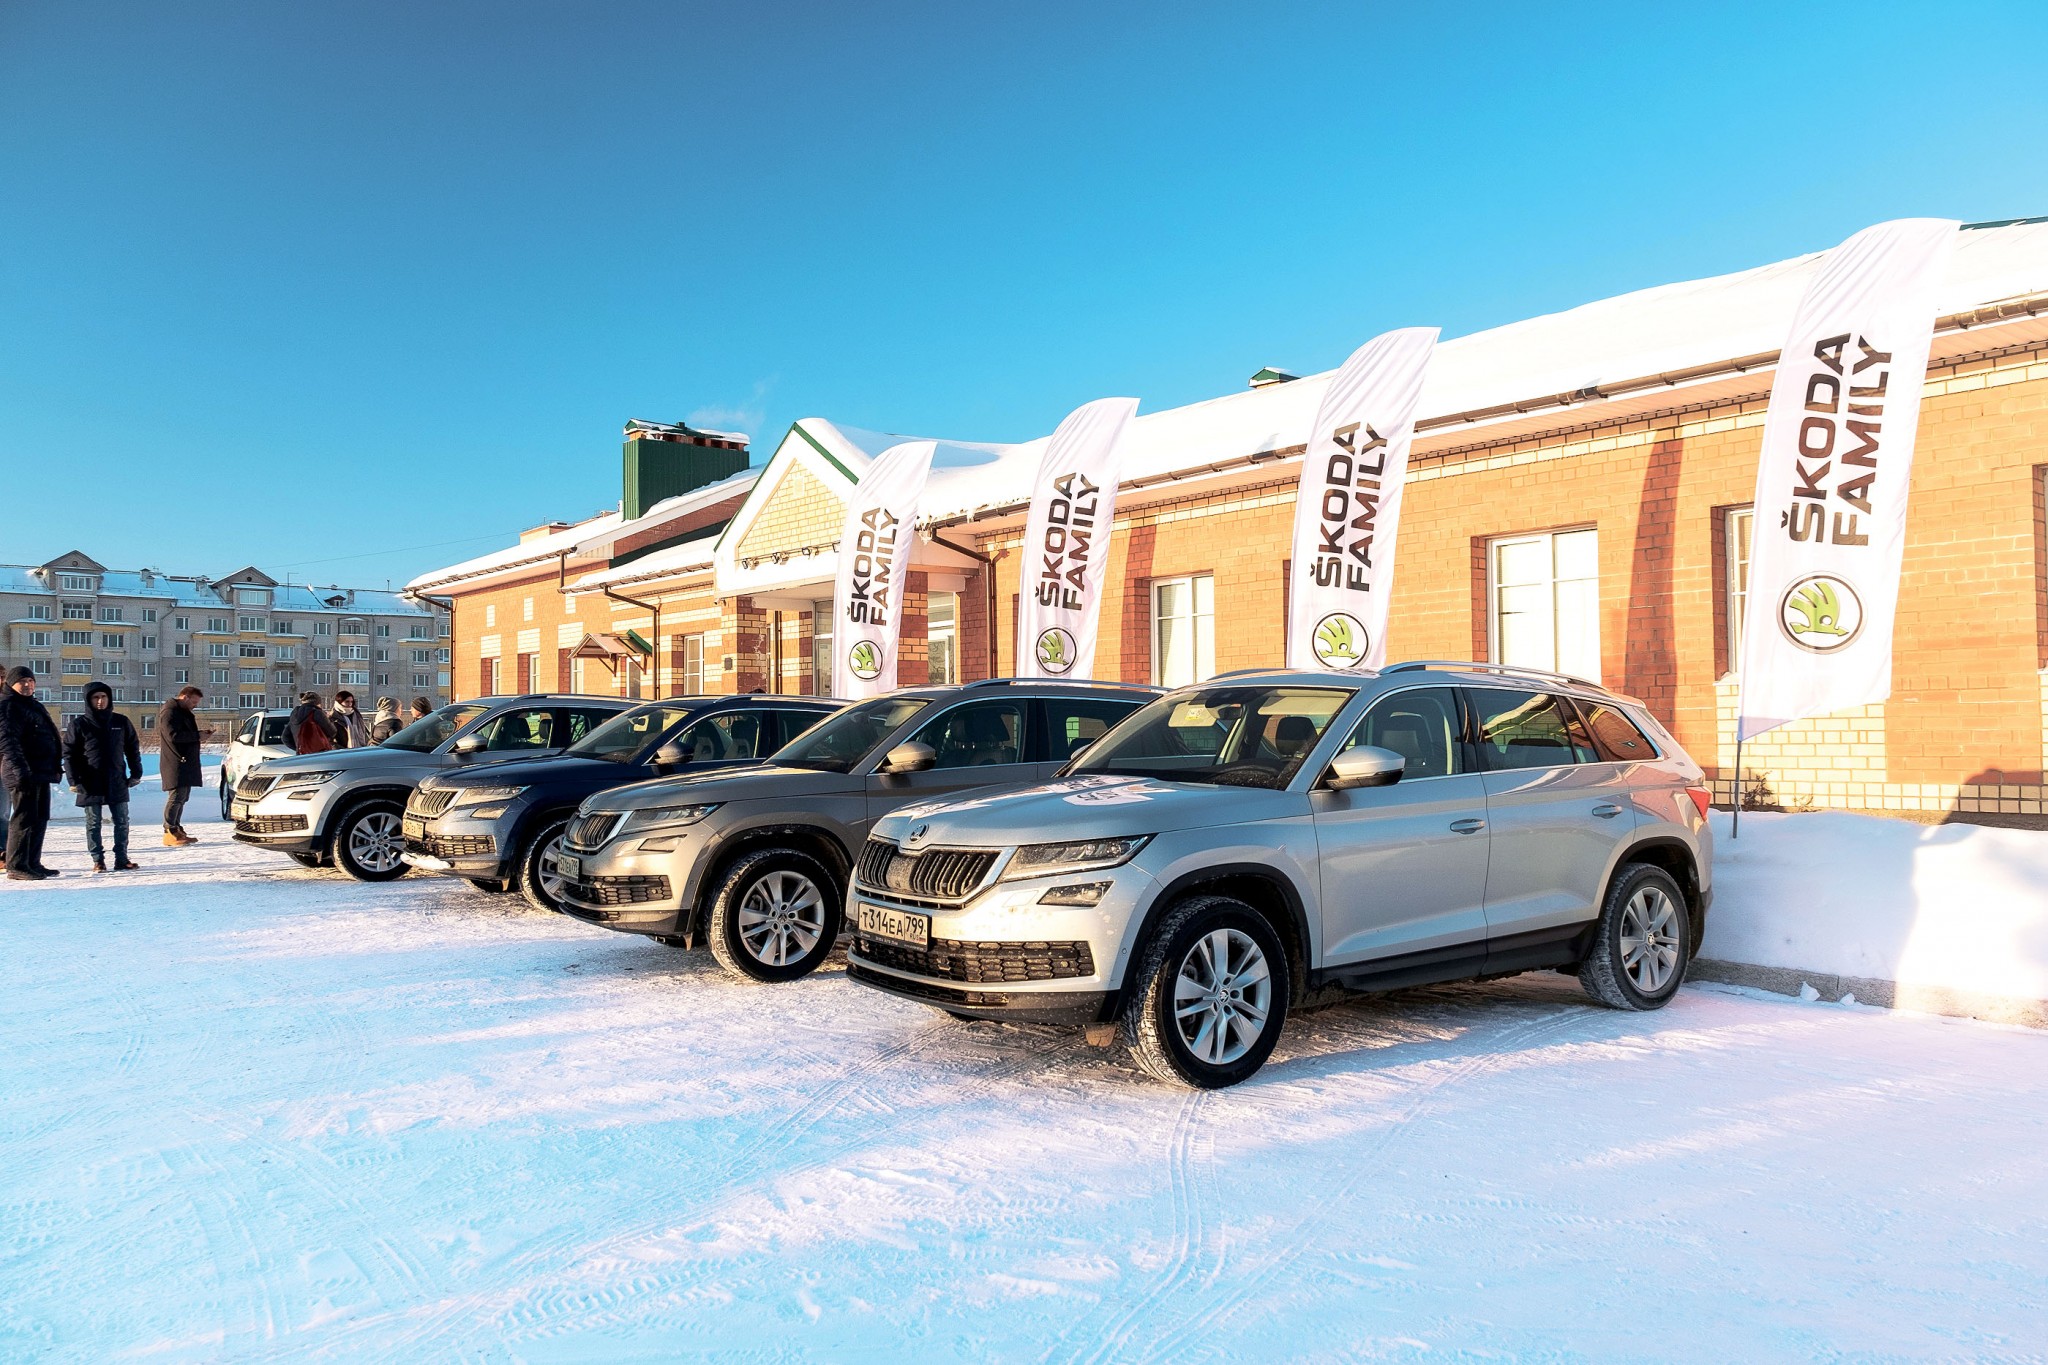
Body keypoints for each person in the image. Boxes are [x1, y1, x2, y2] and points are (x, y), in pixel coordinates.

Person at [65, 681, 143, 873]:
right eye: (95, 697)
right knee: (93, 823)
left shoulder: (121, 722)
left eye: (103, 697)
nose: (100, 701)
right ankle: (98, 860)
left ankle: (122, 859)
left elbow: (132, 748)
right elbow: (69, 754)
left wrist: (136, 773)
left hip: (116, 779)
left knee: (122, 821)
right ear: (88, 700)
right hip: (90, 782)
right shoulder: (79, 724)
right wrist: (74, 780)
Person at [0, 666, 64, 880]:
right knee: (23, 819)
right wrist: (20, 770)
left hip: (40, 771)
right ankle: (17, 866)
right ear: (11, 684)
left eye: (30, 681)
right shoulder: (8, 706)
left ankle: (32, 862)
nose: (27, 685)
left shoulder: (32, 704)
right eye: (22, 681)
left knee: (39, 818)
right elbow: (8, 742)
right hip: (23, 773)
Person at [156, 685, 210, 847]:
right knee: (176, 796)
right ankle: (169, 830)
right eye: (193, 702)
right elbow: (173, 735)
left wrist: (199, 735)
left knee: (182, 797)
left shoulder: (182, 713)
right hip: (176, 761)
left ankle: (176, 829)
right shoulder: (170, 712)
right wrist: (197, 736)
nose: (195, 706)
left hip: (184, 761)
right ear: (185, 697)